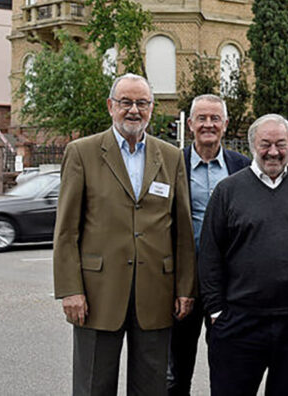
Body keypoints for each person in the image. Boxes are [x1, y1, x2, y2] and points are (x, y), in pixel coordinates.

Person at [53, 73, 196, 396]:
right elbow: (66, 231)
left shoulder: (170, 156)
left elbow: (183, 231)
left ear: (152, 108)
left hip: (156, 293)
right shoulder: (82, 153)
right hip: (96, 293)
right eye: (126, 102)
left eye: (142, 103)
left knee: (151, 386)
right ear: (110, 106)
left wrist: (185, 287)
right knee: (94, 386)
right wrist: (70, 290)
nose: (134, 110)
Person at [199, 113, 288, 396]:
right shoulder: (228, 191)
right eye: (266, 144)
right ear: (252, 146)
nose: (273, 152)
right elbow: (210, 255)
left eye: (281, 144)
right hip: (238, 321)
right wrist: (216, 312)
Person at [167, 94, 250, 396]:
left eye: (215, 118)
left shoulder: (242, 166)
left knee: (228, 369)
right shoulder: (171, 164)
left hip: (229, 287)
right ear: (190, 124)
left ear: (225, 125)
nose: (208, 124)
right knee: (176, 373)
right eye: (201, 118)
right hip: (183, 284)